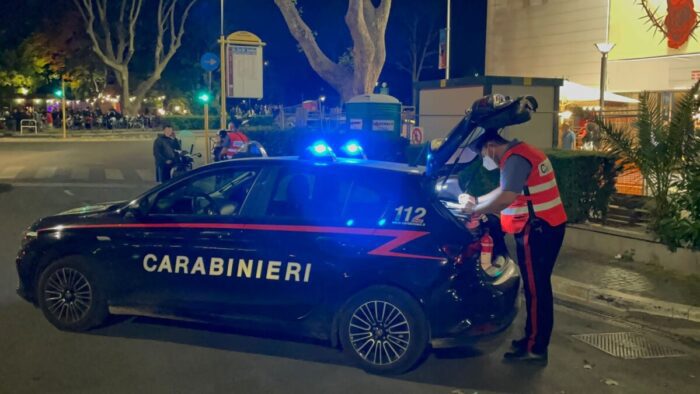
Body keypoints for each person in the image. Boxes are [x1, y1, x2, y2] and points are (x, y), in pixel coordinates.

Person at [462, 128, 567, 366]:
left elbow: (506, 198)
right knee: (536, 289)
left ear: (489, 146)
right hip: (546, 226)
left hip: (536, 230)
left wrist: (475, 211)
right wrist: (477, 200)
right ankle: (532, 339)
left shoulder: (515, 159)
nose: (483, 159)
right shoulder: (521, 154)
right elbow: (505, 188)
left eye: (481, 153)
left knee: (536, 291)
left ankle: (535, 348)